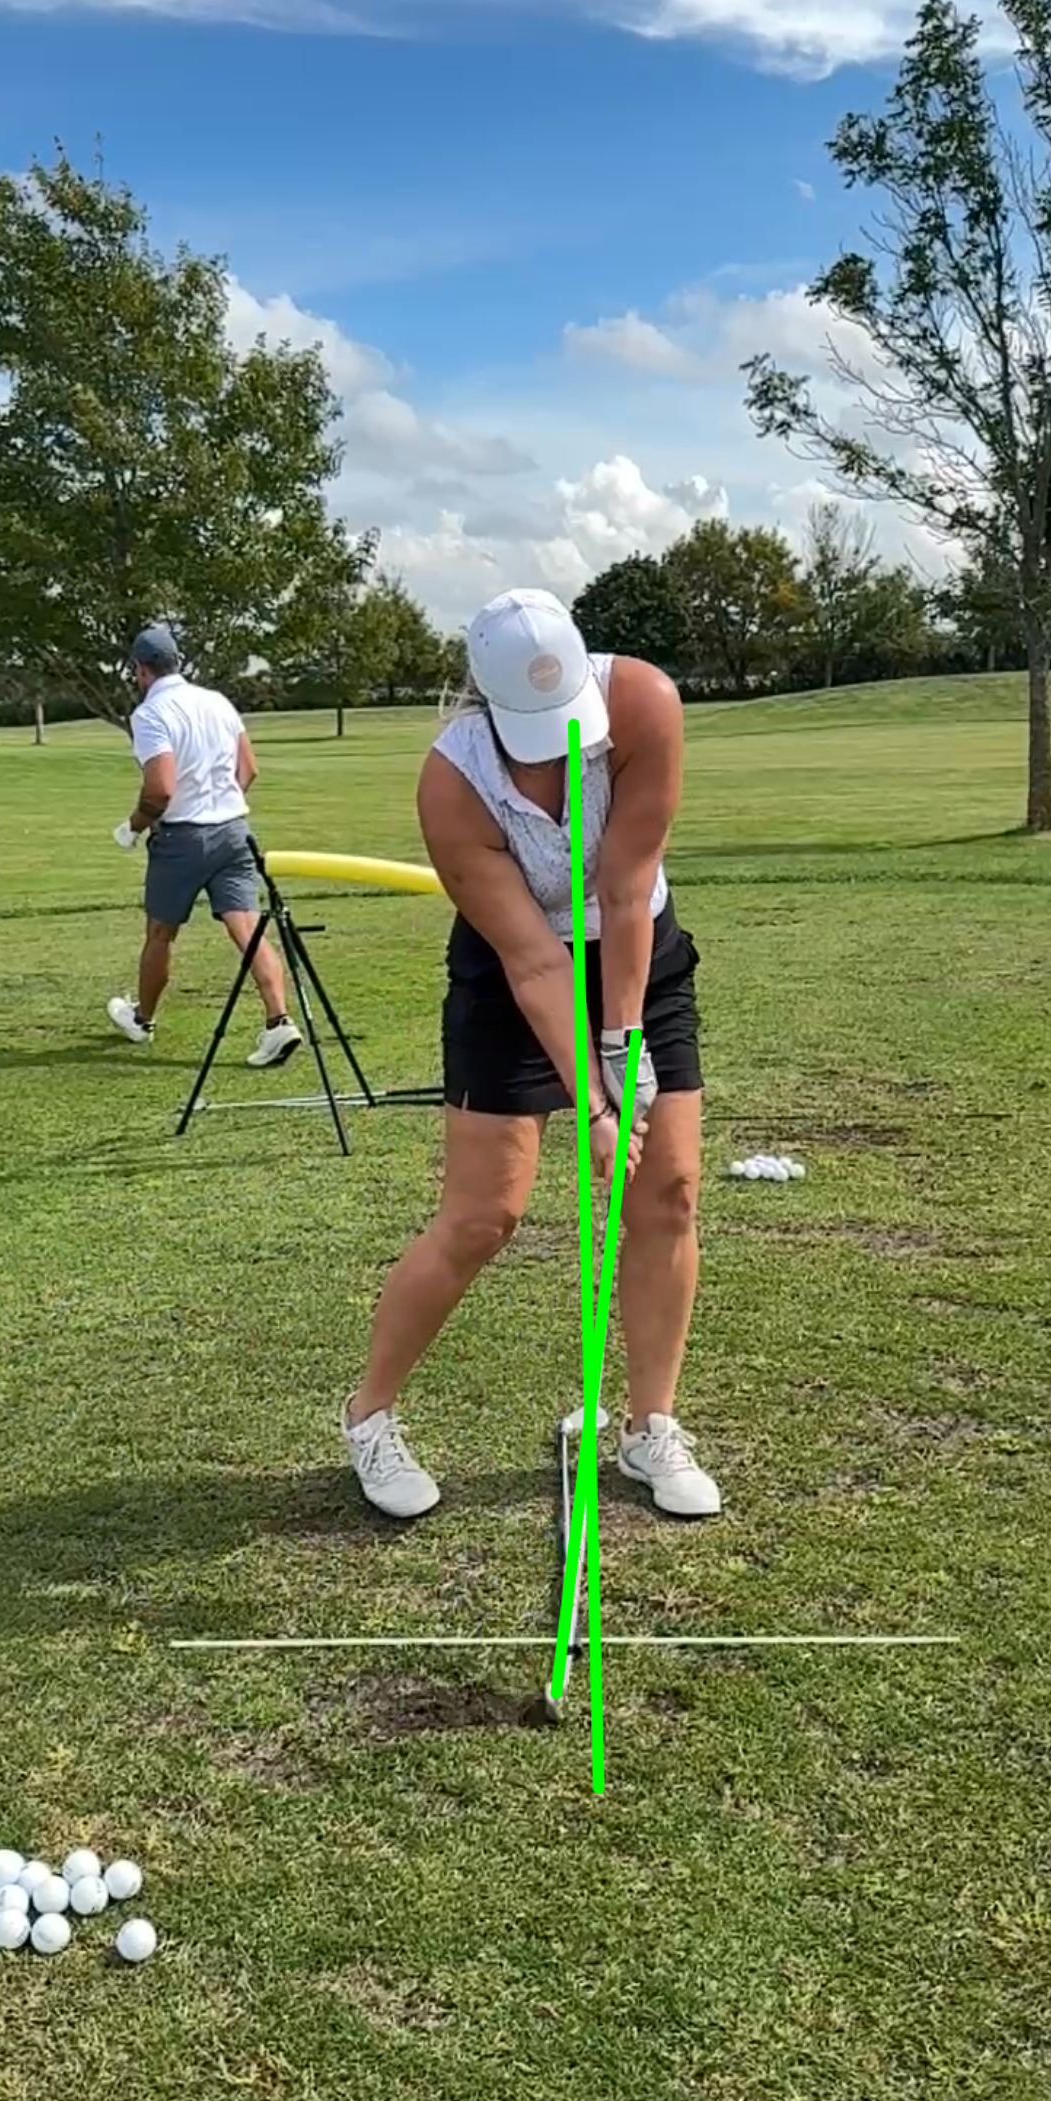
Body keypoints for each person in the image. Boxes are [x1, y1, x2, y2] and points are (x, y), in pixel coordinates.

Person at [342, 585, 720, 1525]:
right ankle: (368, 1417)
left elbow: (626, 890)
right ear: (486, 704)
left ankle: (650, 1428)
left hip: (640, 951)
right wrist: (593, 1104)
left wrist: (623, 1050)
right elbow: (534, 960)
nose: (559, 748)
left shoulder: (644, 703)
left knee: (669, 1190)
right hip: (513, 974)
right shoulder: (453, 784)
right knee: (485, 1216)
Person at [107, 623, 301, 1066]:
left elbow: (160, 790)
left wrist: (133, 827)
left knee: (161, 933)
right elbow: (248, 768)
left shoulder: (150, 714)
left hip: (181, 838)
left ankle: (142, 1020)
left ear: (140, 669)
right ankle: (278, 1021)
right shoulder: (216, 701)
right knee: (247, 929)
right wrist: (220, 808)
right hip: (234, 831)